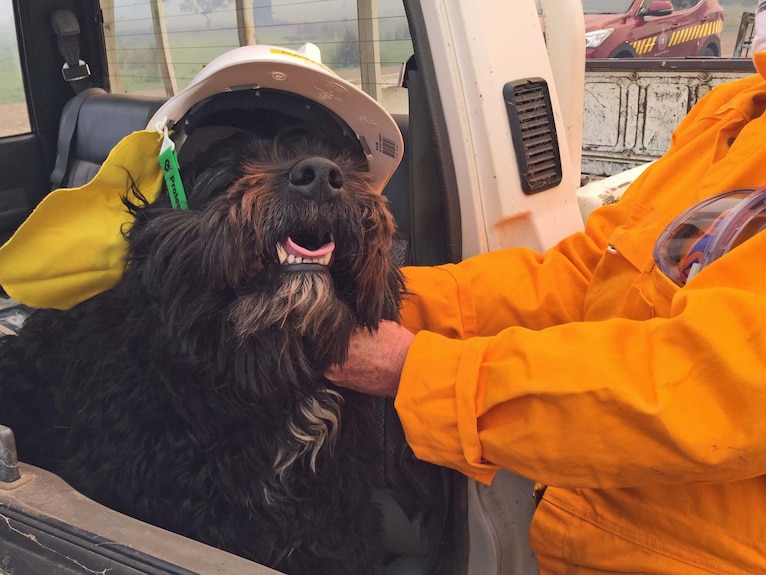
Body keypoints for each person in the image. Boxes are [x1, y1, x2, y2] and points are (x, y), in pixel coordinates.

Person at [328, 7, 766, 574]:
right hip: (581, 543)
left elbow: (706, 391)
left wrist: (418, 372)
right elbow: (588, 273)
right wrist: (385, 298)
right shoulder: (732, 115)